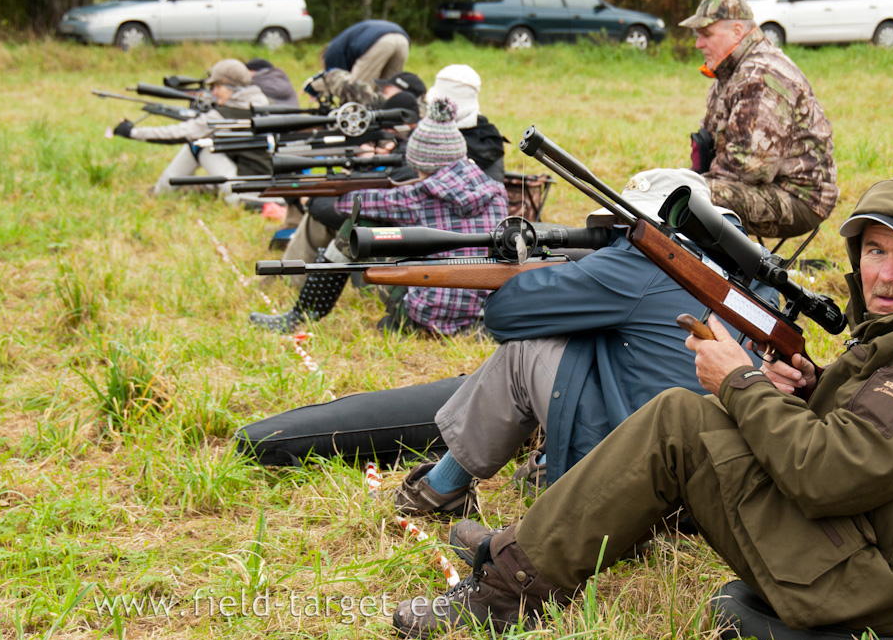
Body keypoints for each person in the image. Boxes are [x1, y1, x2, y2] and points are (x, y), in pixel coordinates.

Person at [389, 163, 893, 640]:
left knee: (681, 420)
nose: (885, 274)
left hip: (888, 589)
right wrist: (811, 388)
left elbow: (830, 475)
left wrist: (739, 382)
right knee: (695, 416)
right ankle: (529, 550)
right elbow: (883, 437)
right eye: (875, 251)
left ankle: (509, 592)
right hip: (892, 554)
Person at [235, 169, 772, 513]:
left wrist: (526, 272)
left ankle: (442, 488)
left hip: (630, 484)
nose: (616, 241)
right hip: (714, 489)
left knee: (525, 356)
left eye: (621, 231)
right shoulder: (747, 276)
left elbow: (506, 316)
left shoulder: (640, 264)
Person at [249, 96, 507, 335]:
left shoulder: (417, 195)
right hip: (480, 313)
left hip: (426, 315)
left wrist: (346, 183)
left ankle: (301, 315)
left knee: (357, 225)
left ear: (421, 162)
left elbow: (350, 205)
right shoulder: (495, 190)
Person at [279, 65, 506, 287]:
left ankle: (297, 289)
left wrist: (315, 200)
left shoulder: (426, 177)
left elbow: (385, 198)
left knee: (352, 222)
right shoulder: (486, 143)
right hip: (475, 273)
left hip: (426, 266)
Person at [681, 0, 838, 240]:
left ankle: (708, 274)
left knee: (687, 199)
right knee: (669, 189)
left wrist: (691, 185)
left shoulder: (762, 76)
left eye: (706, 34)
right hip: (761, 186)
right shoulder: (731, 72)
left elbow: (752, 168)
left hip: (799, 197)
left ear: (737, 32)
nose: (699, 43)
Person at [111, 58, 270, 205]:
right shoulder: (263, 104)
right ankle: (202, 189)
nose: (213, 93)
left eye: (218, 87)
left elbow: (180, 133)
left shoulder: (224, 115)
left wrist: (133, 132)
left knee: (198, 144)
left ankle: (160, 192)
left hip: (245, 191)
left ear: (230, 86)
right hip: (267, 184)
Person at [322, 19, 411, 84]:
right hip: (402, 40)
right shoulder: (341, 43)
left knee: (359, 90)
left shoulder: (330, 53)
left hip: (379, 42)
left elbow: (340, 78)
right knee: (390, 88)